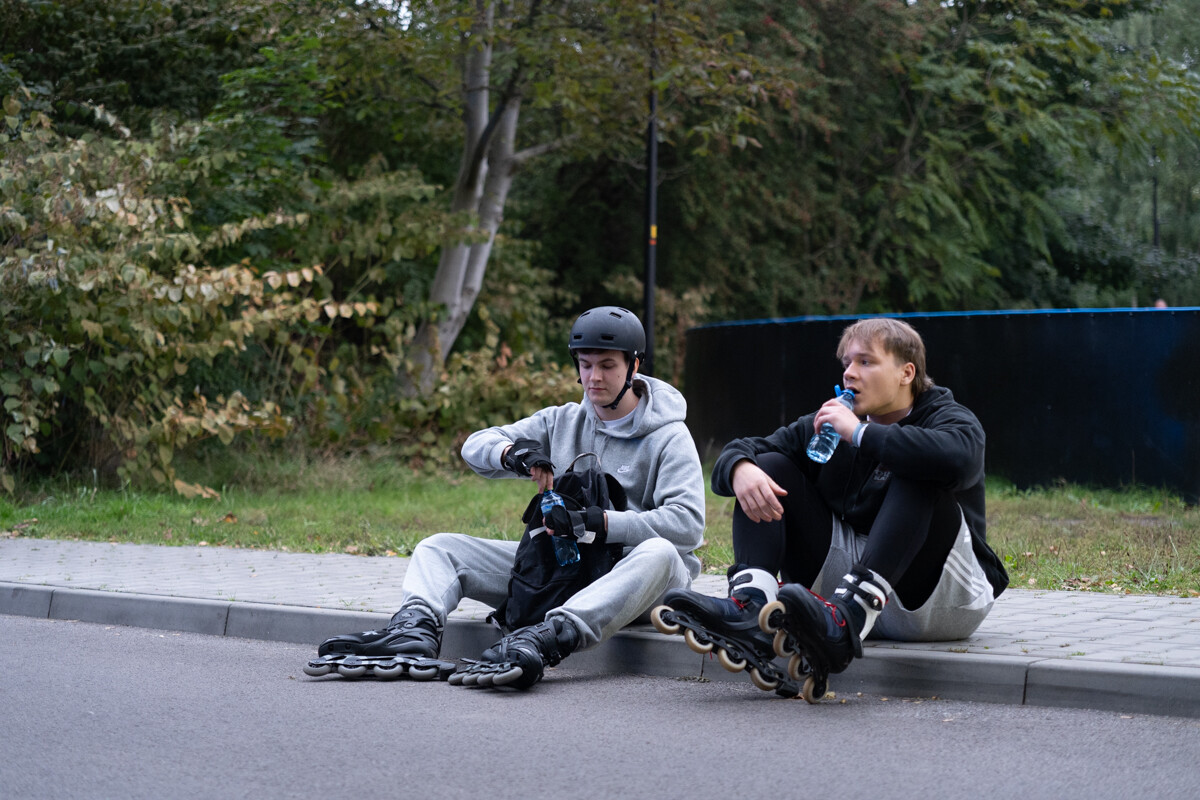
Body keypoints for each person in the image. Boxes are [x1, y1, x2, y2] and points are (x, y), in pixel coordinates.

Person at [311, 305, 706, 689]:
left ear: (634, 367)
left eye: (607, 365)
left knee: (662, 553)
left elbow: (687, 525)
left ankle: (546, 638)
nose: (593, 377)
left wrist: (599, 522)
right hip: (565, 571)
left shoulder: (668, 436)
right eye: (585, 364)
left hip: (638, 581)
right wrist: (512, 454)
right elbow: (475, 444)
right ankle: (414, 631)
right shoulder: (562, 420)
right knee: (439, 548)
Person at [654, 317, 1007, 698]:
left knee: (919, 464)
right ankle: (751, 608)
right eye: (847, 364)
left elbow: (959, 460)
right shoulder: (828, 426)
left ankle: (846, 622)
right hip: (849, 594)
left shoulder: (948, 418)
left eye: (866, 362)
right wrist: (741, 469)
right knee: (768, 466)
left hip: (939, 601)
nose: (851, 373)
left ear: (907, 372)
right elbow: (746, 449)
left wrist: (860, 434)